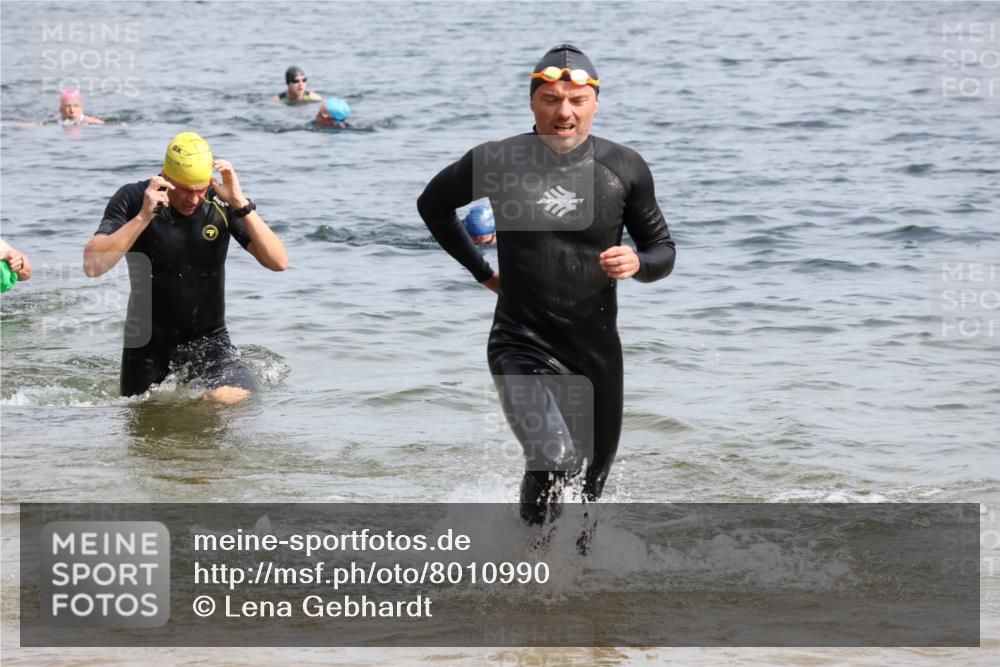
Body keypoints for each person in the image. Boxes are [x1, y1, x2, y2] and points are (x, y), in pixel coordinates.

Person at [417, 44, 676, 526]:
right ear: (532, 102)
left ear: (595, 104)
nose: (564, 112)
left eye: (577, 100)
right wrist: (482, 272)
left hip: (596, 354)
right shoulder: (498, 160)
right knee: (554, 459)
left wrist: (638, 262)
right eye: (552, 99)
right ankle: (528, 559)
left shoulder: (624, 167)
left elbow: (663, 250)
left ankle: (571, 573)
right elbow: (432, 205)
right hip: (521, 342)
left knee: (587, 497)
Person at [83, 132, 288, 403]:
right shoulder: (134, 198)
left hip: (209, 340)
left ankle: (194, 421)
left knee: (229, 397)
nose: (194, 199)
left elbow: (278, 262)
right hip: (146, 347)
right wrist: (143, 217)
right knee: (146, 424)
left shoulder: (221, 202)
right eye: (185, 190)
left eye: (200, 190)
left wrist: (240, 204)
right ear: (166, 177)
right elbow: (93, 266)